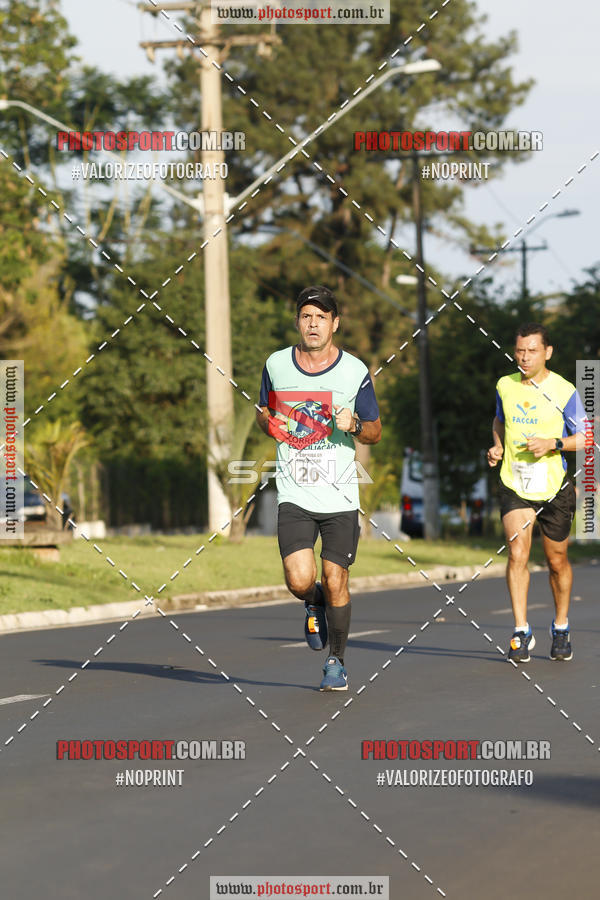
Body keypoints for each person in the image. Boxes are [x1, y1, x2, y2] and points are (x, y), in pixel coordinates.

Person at [256, 285, 382, 691]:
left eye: (321, 317)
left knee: (336, 577)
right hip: (295, 493)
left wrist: (354, 425)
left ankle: (336, 662)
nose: (313, 324)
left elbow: (375, 431)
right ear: (298, 322)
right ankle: (313, 602)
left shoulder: (354, 371)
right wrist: (269, 423)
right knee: (299, 579)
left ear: (335, 323)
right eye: (306, 316)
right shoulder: (276, 364)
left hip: (339, 495)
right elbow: (263, 412)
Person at [487, 323, 585, 663]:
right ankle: (521, 630)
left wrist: (553, 444)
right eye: (520, 351)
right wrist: (498, 446)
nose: (524, 357)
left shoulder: (564, 390)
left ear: (547, 352)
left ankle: (561, 626)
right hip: (515, 484)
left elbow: (586, 437)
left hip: (554, 487)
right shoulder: (505, 385)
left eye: (531, 351)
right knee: (517, 553)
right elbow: (499, 421)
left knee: (557, 561)